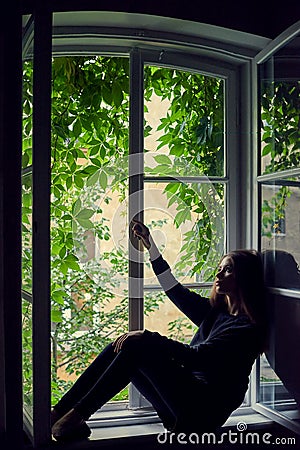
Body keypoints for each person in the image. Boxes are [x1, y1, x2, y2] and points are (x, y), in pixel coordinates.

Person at [51, 220, 267, 442]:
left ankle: (75, 417)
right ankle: (59, 413)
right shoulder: (215, 312)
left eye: (228, 269)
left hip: (201, 414)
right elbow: (174, 290)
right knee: (123, 345)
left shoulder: (245, 329)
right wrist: (150, 246)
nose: (219, 275)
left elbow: (198, 358)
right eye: (219, 269)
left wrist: (147, 337)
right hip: (179, 407)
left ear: (245, 277)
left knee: (137, 345)